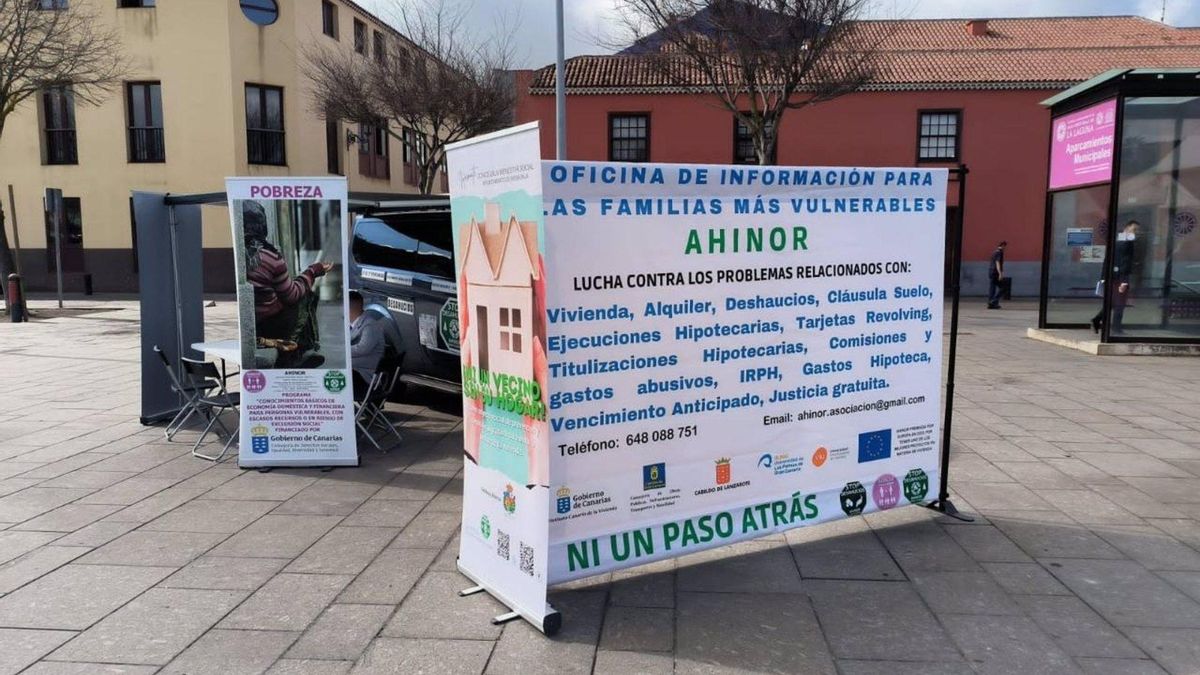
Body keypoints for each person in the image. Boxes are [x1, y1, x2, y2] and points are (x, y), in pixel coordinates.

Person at [243, 201, 331, 366]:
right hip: (270, 323)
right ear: (262, 225)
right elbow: (291, 295)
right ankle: (300, 350)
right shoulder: (269, 257)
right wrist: (313, 271)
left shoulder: (237, 255)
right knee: (306, 296)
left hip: (247, 324)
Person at [1092, 220, 1140, 334]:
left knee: (1113, 302)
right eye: (1134, 230)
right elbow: (1125, 261)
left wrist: (1103, 276)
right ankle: (1116, 328)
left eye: (1137, 230)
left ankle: (1097, 319)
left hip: (1112, 276)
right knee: (1119, 304)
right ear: (1127, 228)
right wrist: (1124, 281)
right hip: (1119, 277)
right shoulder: (1126, 242)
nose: (1136, 233)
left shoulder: (1118, 239)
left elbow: (1108, 259)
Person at [348, 290, 387, 383]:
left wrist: (342, 351)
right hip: (358, 367)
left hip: (365, 374)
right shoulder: (353, 324)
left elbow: (362, 348)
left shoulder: (370, 325)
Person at [987, 240, 1006, 309]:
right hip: (995, 273)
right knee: (1003, 287)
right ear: (1003, 245)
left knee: (992, 288)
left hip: (991, 272)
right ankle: (994, 301)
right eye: (1005, 247)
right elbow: (997, 262)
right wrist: (1000, 273)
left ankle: (990, 304)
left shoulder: (994, 252)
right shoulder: (999, 252)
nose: (1005, 248)